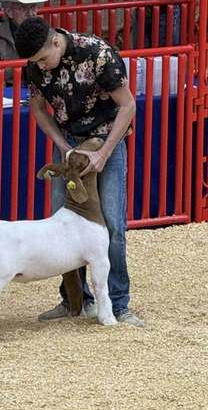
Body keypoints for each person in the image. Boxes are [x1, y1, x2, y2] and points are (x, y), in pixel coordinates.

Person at [14, 16, 143, 327]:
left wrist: (105, 153)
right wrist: (62, 145)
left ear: (56, 42)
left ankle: (118, 303)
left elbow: (127, 105)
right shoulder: (35, 64)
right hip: (71, 143)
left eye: (43, 59)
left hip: (106, 138)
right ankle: (75, 300)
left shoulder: (99, 54)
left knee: (111, 222)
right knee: (63, 223)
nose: (40, 67)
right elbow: (36, 106)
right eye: (35, 62)